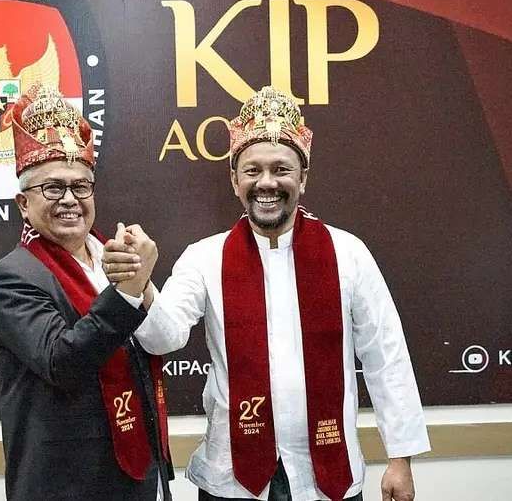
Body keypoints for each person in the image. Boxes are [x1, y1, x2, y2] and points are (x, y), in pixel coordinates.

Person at [104, 86, 430, 501]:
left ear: (303, 178)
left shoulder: (348, 254)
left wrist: (400, 458)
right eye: (253, 170)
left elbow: (386, 356)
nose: (267, 183)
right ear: (234, 180)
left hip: (327, 477)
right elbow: (163, 338)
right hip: (231, 479)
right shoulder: (204, 257)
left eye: (281, 169)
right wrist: (139, 283)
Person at [0, 84, 172, 501]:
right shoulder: (10, 278)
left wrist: (140, 284)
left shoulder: (113, 255)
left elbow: (164, 340)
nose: (69, 199)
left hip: (136, 475)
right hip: (64, 486)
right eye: (53, 188)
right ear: (23, 204)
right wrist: (127, 292)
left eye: (80, 186)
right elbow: (62, 362)